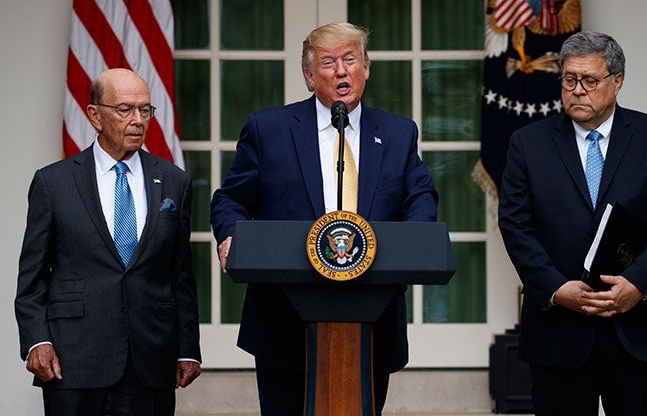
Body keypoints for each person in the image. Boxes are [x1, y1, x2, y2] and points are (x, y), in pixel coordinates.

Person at [210, 22, 438, 415]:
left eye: (351, 59)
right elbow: (230, 199)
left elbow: (420, 198)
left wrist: (412, 242)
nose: (341, 70)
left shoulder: (399, 133)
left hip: (372, 317)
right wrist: (231, 236)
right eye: (328, 62)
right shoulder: (269, 129)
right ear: (309, 75)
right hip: (283, 320)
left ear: (366, 68)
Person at [498, 31, 647, 416]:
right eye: (569, 80)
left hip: (641, 330)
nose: (577, 90)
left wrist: (638, 283)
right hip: (559, 334)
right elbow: (515, 224)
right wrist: (555, 288)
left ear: (617, 81)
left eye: (590, 80)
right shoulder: (527, 143)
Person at [15, 68, 202, 416]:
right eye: (125, 109)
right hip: (73, 358)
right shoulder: (53, 183)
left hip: (150, 360)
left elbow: (180, 276)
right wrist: (37, 341)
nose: (137, 121)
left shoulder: (174, 182)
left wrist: (187, 348)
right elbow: (32, 278)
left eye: (145, 110)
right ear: (94, 115)